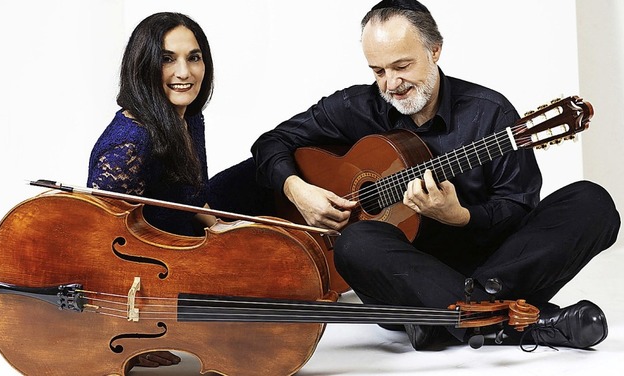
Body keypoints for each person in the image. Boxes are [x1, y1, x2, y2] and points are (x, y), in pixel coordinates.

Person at [251, 0, 620, 351]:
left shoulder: (489, 114)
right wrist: (298, 190)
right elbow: (271, 142)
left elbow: (519, 209)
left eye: (402, 66)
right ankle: (508, 319)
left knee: (593, 201)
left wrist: (460, 216)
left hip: (496, 268)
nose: (390, 83)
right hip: (404, 277)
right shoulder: (356, 107)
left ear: (435, 51)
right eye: (378, 71)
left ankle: (452, 318)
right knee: (354, 242)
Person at [87, 11, 215, 371]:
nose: (184, 73)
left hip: (182, 237)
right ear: (143, 66)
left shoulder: (187, 116)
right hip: (155, 269)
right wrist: (136, 330)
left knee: (258, 172)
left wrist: (226, 231)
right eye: (166, 59)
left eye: (194, 57)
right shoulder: (130, 143)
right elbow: (104, 250)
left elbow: (192, 192)